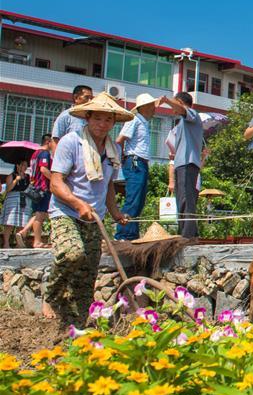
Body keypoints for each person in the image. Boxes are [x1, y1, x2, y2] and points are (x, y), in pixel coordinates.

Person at [44, 93, 130, 326]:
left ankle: (79, 324)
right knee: (72, 253)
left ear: (114, 122)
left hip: (95, 217)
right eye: (97, 119)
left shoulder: (114, 149)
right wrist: (78, 204)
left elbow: (108, 185)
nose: (102, 124)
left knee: (88, 273)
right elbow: (56, 183)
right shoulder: (71, 142)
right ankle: (51, 295)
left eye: (108, 120)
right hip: (66, 212)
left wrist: (115, 213)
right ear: (88, 118)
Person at [160, 92, 204, 238]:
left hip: (188, 163)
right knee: (181, 200)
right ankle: (186, 232)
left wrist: (166, 101)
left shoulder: (193, 115)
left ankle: (188, 235)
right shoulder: (181, 124)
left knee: (186, 199)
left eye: (174, 103)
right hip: (180, 164)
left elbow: (183, 110)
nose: (173, 108)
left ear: (179, 102)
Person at [113, 93, 157, 240]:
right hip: (134, 161)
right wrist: (119, 159)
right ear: (144, 107)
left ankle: (132, 233)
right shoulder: (134, 120)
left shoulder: (143, 122)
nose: (154, 109)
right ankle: (124, 234)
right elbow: (120, 140)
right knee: (133, 198)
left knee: (139, 200)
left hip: (141, 162)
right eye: (152, 105)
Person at [16, 134, 53, 247]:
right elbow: (43, 169)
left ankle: (24, 231)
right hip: (42, 187)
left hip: (35, 187)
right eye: (53, 142)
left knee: (40, 213)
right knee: (41, 214)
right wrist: (55, 180)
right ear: (48, 142)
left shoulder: (35, 154)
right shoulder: (44, 153)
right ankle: (37, 241)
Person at [50, 85, 93, 154]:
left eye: (91, 98)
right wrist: (57, 159)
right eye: (87, 97)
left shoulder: (92, 117)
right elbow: (55, 140)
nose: (90, 101)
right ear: (76, 98)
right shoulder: (65, 116)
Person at [2, 160, 31, 247]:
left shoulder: (27, 176)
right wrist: (16, 180)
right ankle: (6, 243)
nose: (25, 167)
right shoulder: (12, 175)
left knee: (22, 222)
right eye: (23, 165)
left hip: (24, 199)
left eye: (26, 165)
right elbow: (8, 189)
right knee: (10, 222)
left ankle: (19, 243)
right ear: (17, 165)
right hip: (13, 199)